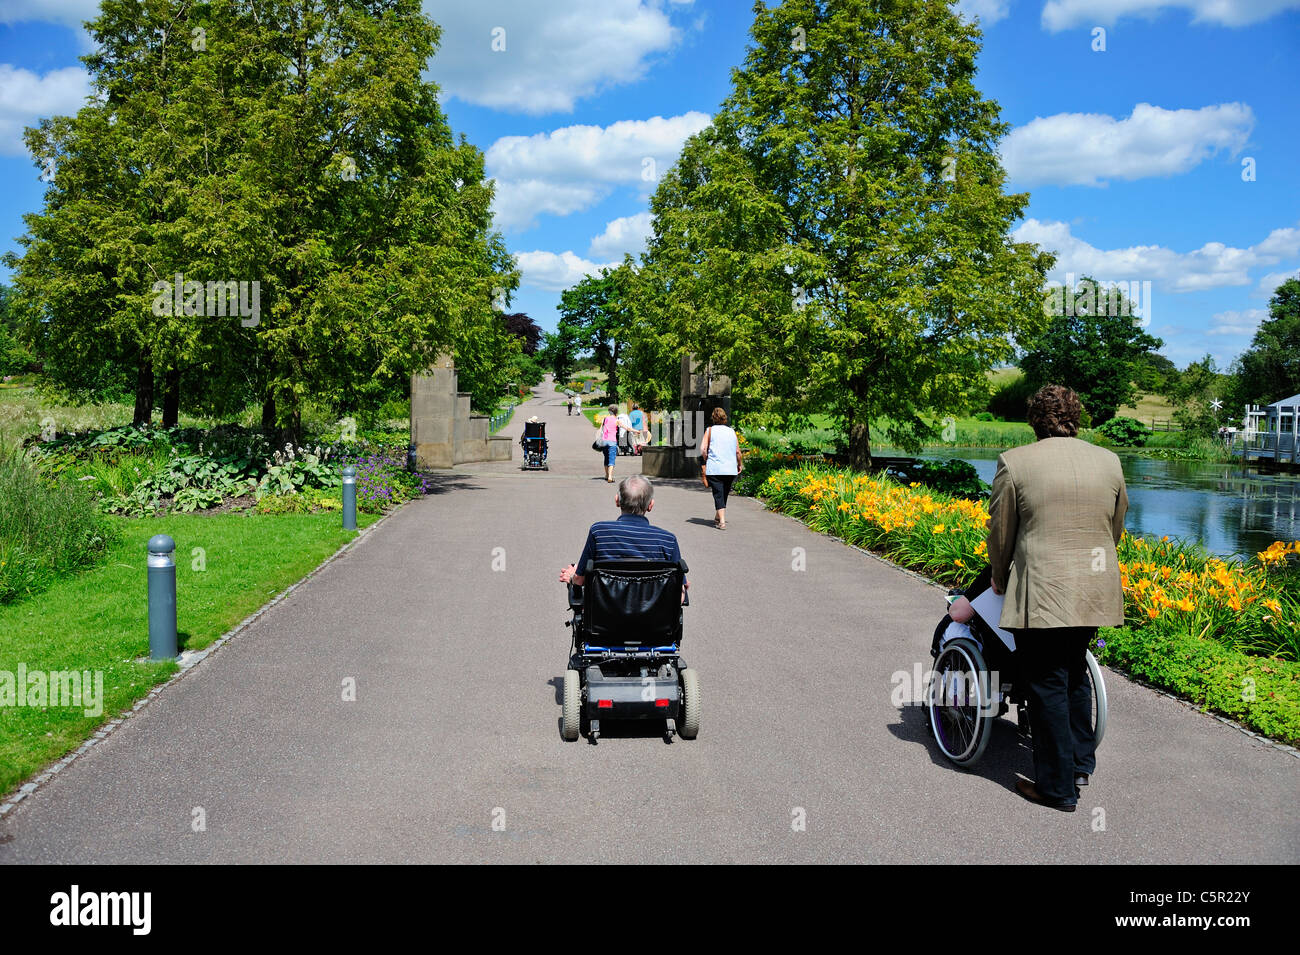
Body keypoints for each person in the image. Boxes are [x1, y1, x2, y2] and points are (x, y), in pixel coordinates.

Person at [985, 384, 1128, 813]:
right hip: (1094, 588)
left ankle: (1057, 788)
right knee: (1073, 673)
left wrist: (997, 576)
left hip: (1044, 591)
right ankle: (1081, 762)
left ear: (1035, 420)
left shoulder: (1016, 463)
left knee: (1046, 682)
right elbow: (1115, 527)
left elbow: (1001, 532)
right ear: (1076, 417)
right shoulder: (1109, 461)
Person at [559, 475, 688, 601]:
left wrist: (572, 576)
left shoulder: (599, 532)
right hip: (653, 620)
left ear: (617, 500)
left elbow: (579, 580)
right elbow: (680, 597)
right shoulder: (667, 540)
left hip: (605, 618)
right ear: (650, 505)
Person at [699, 406, 742, 529]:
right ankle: (718, 516)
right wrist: (739, 464)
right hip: (730, 468)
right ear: (724, 418)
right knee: (724, 493)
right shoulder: (731, 431)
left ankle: (722, 521)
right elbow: (738, 452)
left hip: (715, 468)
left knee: (718, 494)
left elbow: (702, 449)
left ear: (713, 418)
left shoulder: (710, 430)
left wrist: (706, 458)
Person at [598, 403, 619, 483]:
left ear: (609, 411)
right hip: (612, 442)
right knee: (612, 459)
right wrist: (636, 431)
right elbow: (626, 427)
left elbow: (600, 430)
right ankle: (610, 476)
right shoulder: (617, 420)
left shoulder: (605, 419)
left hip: (604, 441)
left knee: (606, 458)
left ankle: (606, 475)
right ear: (616, 412)